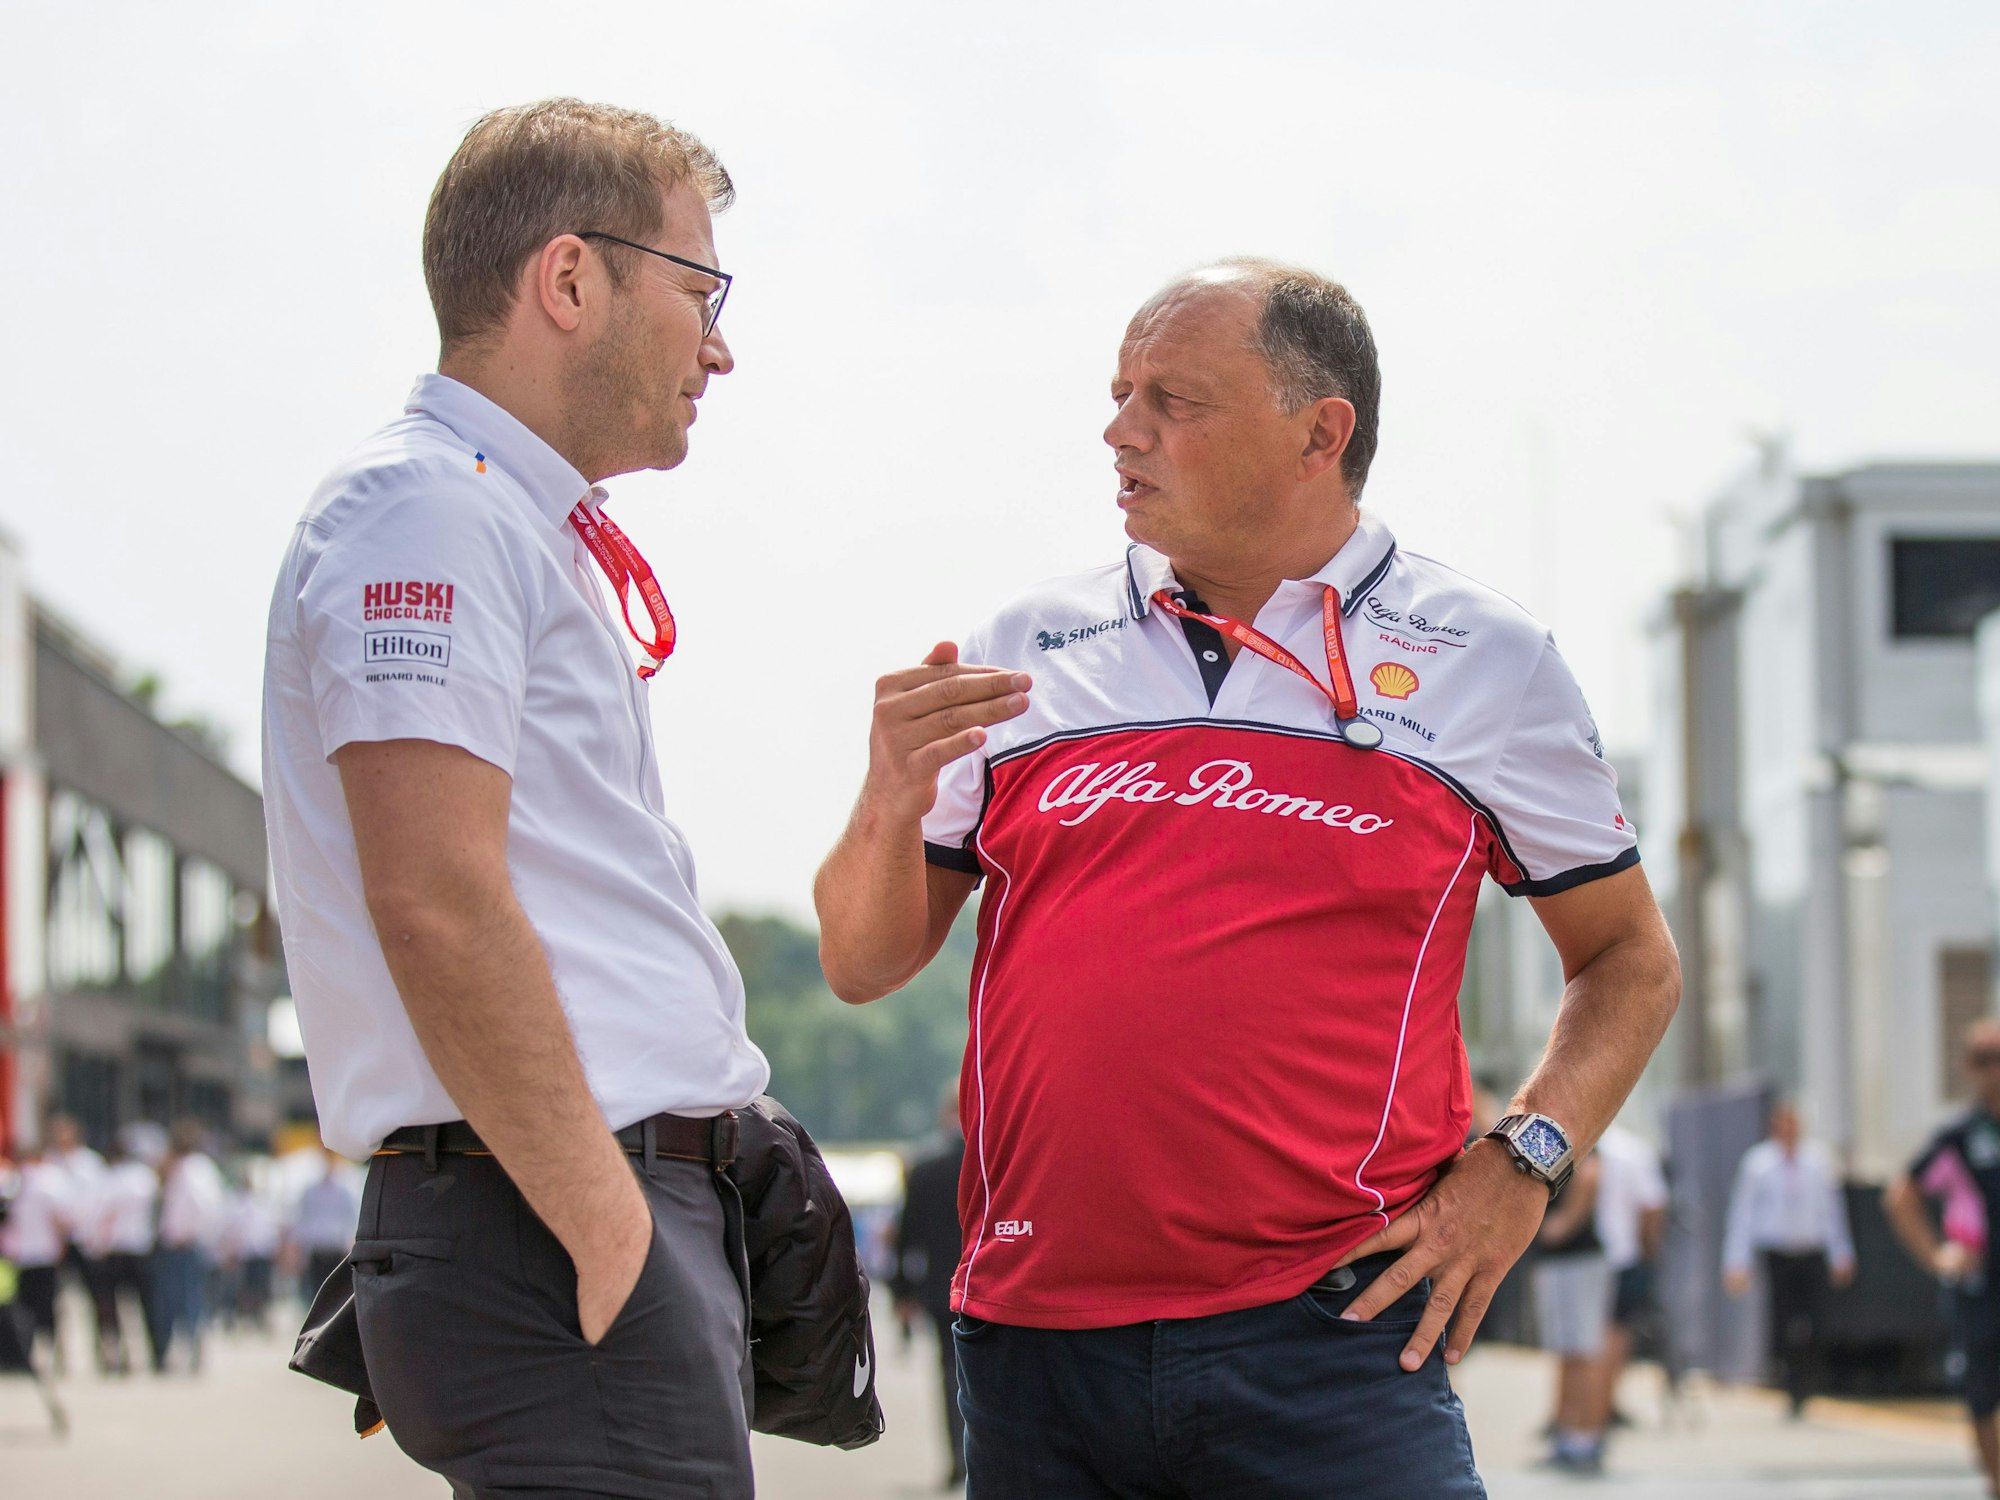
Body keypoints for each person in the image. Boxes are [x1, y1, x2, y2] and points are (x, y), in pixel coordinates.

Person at [814, 259, 1682, 1497]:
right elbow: (859, 962)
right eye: (1119, 394)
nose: (1120, 431)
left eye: (1173, 399)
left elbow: (1628, 960)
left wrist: (1523, 1162)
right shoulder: (1021, 651)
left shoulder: (1487, 661)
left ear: (1318, 432)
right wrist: (886, 796)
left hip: (1329, 1335)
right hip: (1033, 1339)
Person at [260, 97, 768, 1498]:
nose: (720, 344)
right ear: (567, 279)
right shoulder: (426, 509)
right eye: (699, 288)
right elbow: (435, 899)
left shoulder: (488, 512)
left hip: (554, 1210)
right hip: (552, 1215)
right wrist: (610, 1234)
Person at [1886, 1018, 2000, 1500]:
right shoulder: (1960, 1133)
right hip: (1982, 1286)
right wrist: (1937, 1256)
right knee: (1982, 1394)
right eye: (1982, 1059)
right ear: (1968, 1067)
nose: (1993, 1070)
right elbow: (1902, 1195)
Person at [1721, 1098, 1856, 1416]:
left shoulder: (1819, 1160)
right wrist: (1736, 1261)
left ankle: (1809, 1380)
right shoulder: (1758, 1163)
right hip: (1777, 1252)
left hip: (1811, 1250)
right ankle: (1789, 1382)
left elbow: (1833, 1210)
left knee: (1814, 1320)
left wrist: (1841, 1252)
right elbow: (1743, 1213)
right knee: (1782, 1320)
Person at [893, 1086, 968, 1488]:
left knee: (949, 1375)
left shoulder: (923, 1167)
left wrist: (902, 1292)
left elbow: (907, 1238)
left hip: (942, 1289)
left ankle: (957, 1456)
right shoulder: (992, 1159)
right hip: (988, 1285)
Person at [1532, 1151, 1610, 1472]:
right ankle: (1567, 1433)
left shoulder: (1577, 1132)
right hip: (1559, 1261)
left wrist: (1564, 1223)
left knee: (1584, 1348)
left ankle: (1588, 1436)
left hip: (1578, 1258)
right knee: (1567, 1349)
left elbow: (1591, 1173)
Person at [1592, 1124, 1669, 1429]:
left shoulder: (1584, 1144)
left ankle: (1591, 1405)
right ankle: (1602, 1402)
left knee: (1589, 1335)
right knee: (1616, 1333)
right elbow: (1652, 1206)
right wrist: (1650, 1250)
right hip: (1624, 1253)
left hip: (1587, 1254)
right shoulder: (1634, 1150)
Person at [151, 1119, 225, 1374]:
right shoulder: (194, 1168)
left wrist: (190, 1233)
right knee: (182, 1301)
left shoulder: (191, 1169)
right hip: (183, 1244)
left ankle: (190, 1351)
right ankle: (187, 1351)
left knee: (184, 1301)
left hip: (184, 1245)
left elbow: (201, 1207)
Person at [83, 1133, 160, 1374]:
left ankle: (114, 1354)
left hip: (114, 1250)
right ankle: (154, 1353)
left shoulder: (109, 1179)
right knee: (144, 1306)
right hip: (140, 1247)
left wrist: (94, 1245)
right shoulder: (145, 1177)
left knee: (109, 1308)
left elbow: (101, 1216)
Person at [0, 1141, 75, 1372]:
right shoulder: (43, 1183)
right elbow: (61, 1219)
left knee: (25, 1309)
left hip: (22, 1255)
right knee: (46, 1309)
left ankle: (30, 1353)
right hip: (40, 1254)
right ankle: (47, 1354)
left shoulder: (17, 1184)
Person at [288, 1149, 361, 1297]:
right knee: (317, 1291)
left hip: (336, 1249)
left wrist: (348, 1246)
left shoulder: (345, 1189)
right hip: (317, 1249)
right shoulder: (311, 1189)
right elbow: (305, 1220)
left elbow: (351, 1220)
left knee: (335, 1292)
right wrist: (300, 1249)